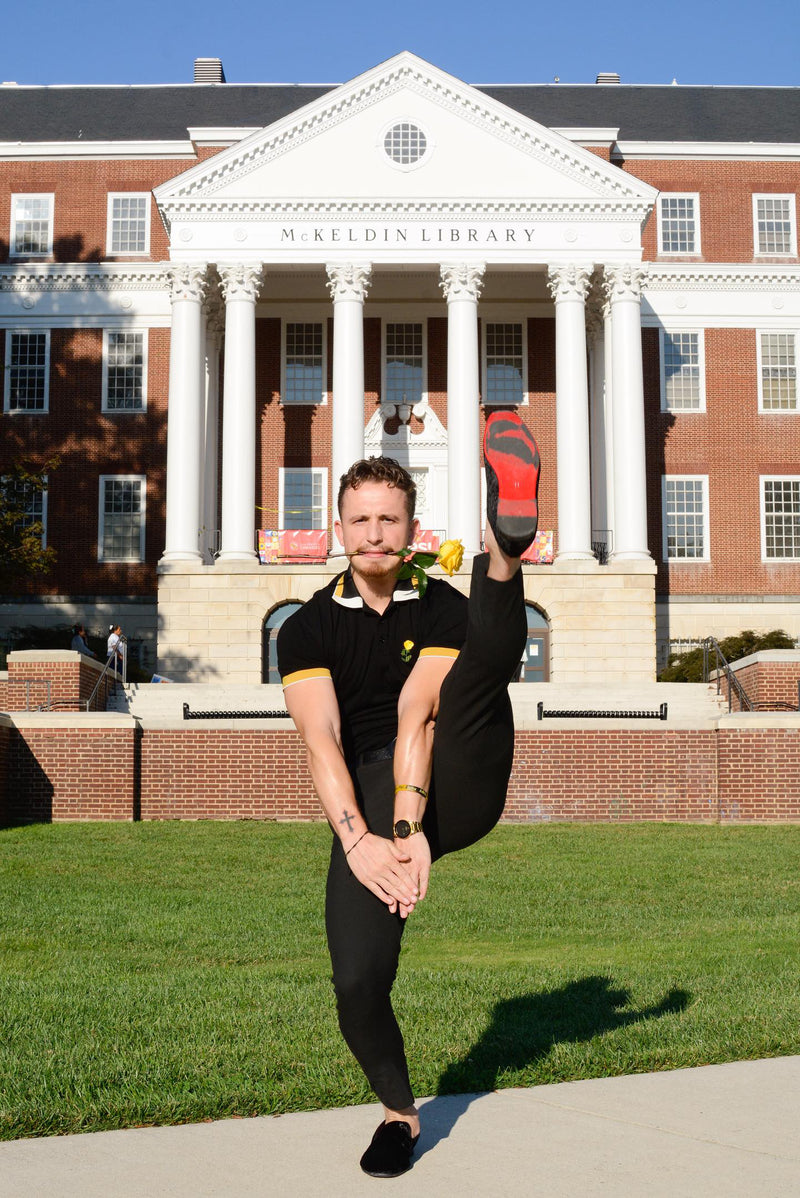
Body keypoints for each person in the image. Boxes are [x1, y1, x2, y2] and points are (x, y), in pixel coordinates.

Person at [277, 409, 541, 1178]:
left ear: (411, 525)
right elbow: (321, 740)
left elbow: (413, 715)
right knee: (358, 980)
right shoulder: (306, 628)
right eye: (359, 519)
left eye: (389, 519)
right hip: (363, 802)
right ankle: (399, 1115)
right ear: (339, 526)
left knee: (476, 677)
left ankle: (504, 553)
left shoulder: (440, 608)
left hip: (459, 775)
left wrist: (409, 826)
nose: (374, 533)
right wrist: (362, 843)